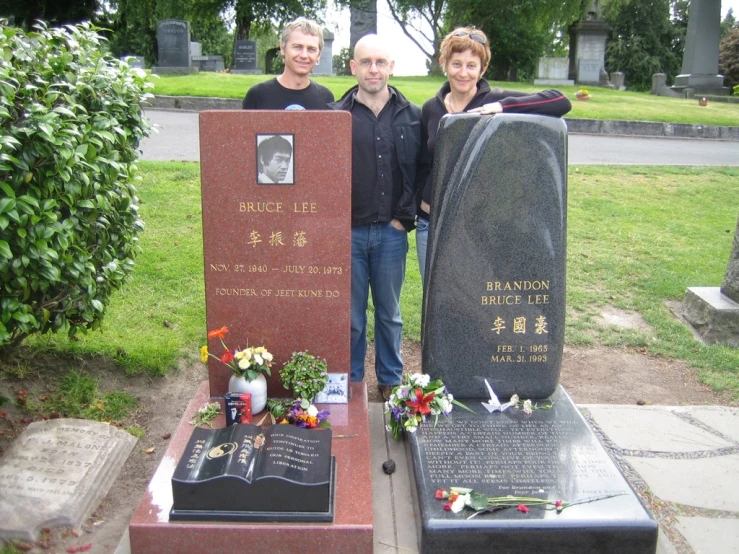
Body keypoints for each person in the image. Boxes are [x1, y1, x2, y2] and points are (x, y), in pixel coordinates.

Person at [416, 27, 572, 283]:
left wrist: (503, 106)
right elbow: (424, 164)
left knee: (472, 303)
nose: (463, 72)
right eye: (456, 64)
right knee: (436, 304)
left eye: (471, 65)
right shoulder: (430, 109)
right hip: (431, 224)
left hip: (475, 224)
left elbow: (560, 101)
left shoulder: (496, 100)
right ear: (444, 64)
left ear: (482, 69)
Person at [329, 35, 429, 401]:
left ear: (391, 67)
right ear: (353, 68)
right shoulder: (335, 115)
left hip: (391, 233)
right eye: (366, 62)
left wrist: (406, 218)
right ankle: (353, 383)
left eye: (381, 62)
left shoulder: (412, 115)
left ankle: (390, 381)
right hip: (350, 234)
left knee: (390, 314)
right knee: (352, 318)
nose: (374, 69)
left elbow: (422, 169)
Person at [242, 18, 334, 110]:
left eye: (311, 49)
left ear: (319, 55)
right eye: (297, 47)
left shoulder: (326, 98)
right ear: (283, 48)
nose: (304, 55)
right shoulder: (257, 96)